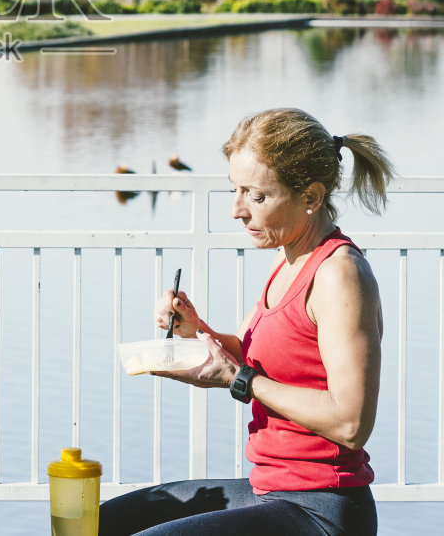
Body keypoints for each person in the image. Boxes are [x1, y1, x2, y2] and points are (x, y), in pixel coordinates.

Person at [101, 108, 393, 536]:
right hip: (270, 489)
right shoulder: (289, 257)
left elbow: (351, 423)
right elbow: (245, 351)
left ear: (310, 198)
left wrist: (241, 381)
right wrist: (195, 329)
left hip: (321, 508)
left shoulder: (339, 275)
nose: (237, 210)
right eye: (235, 190)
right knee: (98, 522)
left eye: (256, 196)